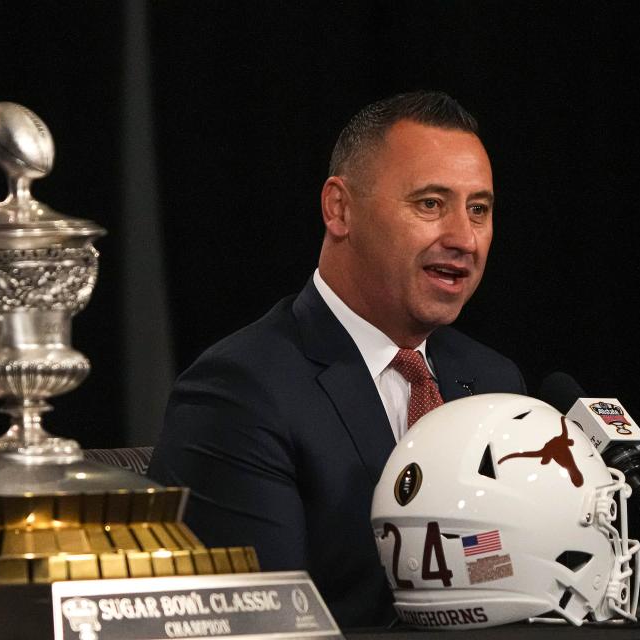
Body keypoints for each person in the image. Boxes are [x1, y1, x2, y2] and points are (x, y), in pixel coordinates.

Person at [148, 91, 526, 628]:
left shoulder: (492, 380)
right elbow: (264, 629)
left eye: (479, 210)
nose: (464, 238)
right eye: (430, 204)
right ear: (340, 209)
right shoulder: (239, 391)